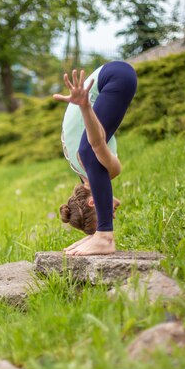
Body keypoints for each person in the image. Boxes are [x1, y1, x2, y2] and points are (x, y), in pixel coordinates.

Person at [54, 61, 137, 255]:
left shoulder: (95, 167)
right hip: (112, 74)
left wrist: (85, 106)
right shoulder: (81, 171)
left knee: (90, 152)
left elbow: (97, 144)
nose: (114, 214)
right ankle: (100, 235)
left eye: (110, 215)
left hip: (114, 78)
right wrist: (91, 236)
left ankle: (105, 236)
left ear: (94, 202)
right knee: (89, 153)